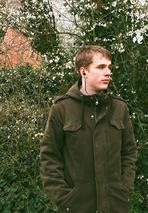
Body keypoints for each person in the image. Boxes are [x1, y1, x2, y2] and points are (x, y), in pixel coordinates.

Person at [40, 45, 137, 213]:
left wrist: (124, 190)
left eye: (109, 67)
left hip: (115, 206)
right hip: (77, 207)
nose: (108, 72)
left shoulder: (119, 107)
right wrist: (65, 199)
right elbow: (49, 157)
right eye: (101, 67)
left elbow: (129, 152)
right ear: (83, 71)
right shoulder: (62, 109)